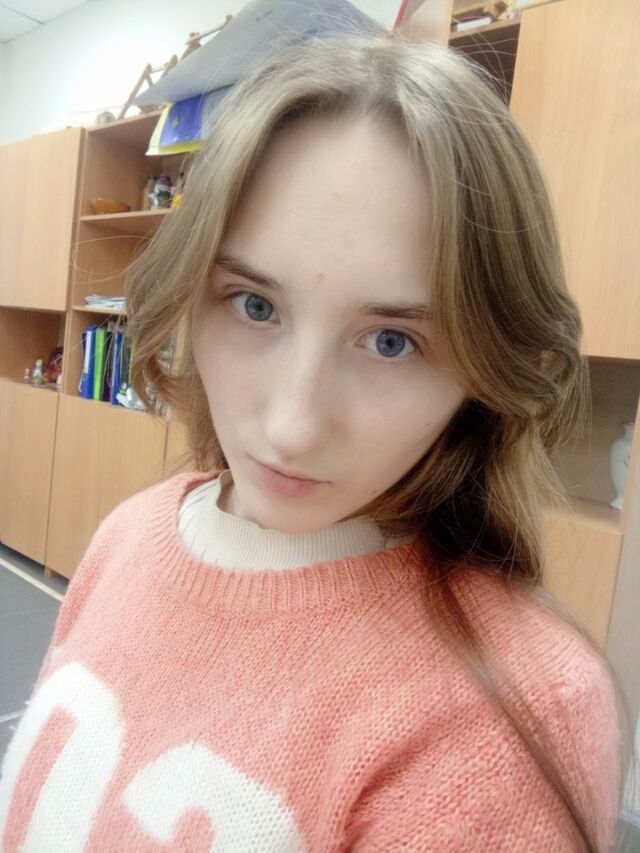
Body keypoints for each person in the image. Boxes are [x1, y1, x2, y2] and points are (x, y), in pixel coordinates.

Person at [0, 30, 635, 852]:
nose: (292, 426)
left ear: (486, 367)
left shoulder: (509, 718)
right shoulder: (132, 533)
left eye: (392, 342)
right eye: (255, 305)